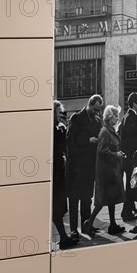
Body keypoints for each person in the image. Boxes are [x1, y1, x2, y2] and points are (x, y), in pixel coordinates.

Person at [82, 105, 126, 236]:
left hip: (111, 170)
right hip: (106, 171)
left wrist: (118, 154)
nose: (118, 118)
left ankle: (112, 225)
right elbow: (102, 151)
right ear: (109, 117)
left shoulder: (109, 130)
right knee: (102, 201)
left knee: (110, 199)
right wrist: (116, 155)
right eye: (116, 116)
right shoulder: (105, 132)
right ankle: (88, 223)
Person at [66, 94, 103, 238]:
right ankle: (74, 229)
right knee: (74, 199)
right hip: (76, 167)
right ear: (89, 104)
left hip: (89, 166)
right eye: (95, 109)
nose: (97, 112)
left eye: (99, 110)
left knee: (87, 199)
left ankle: (87, 226)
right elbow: (70, 140)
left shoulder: (97, 120)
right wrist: (88, 140)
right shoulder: (76, 118)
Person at [52, 101, 78, 250]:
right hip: (55, 173)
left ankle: (63, 237)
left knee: (59, 208)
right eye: (59, 112)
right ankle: (63, 238)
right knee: (56, 208)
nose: (61, 115)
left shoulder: (59, 128)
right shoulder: (54, 129)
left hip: (60, 173)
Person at [119, 92, 137, 222]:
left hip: (127, 157)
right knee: (131, 185)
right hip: (130, 158)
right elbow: (131, 141)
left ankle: (131, 207)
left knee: (131, 185)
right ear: (134, 103)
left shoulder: (127, 116)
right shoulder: (131, 118)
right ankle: (126, 212)